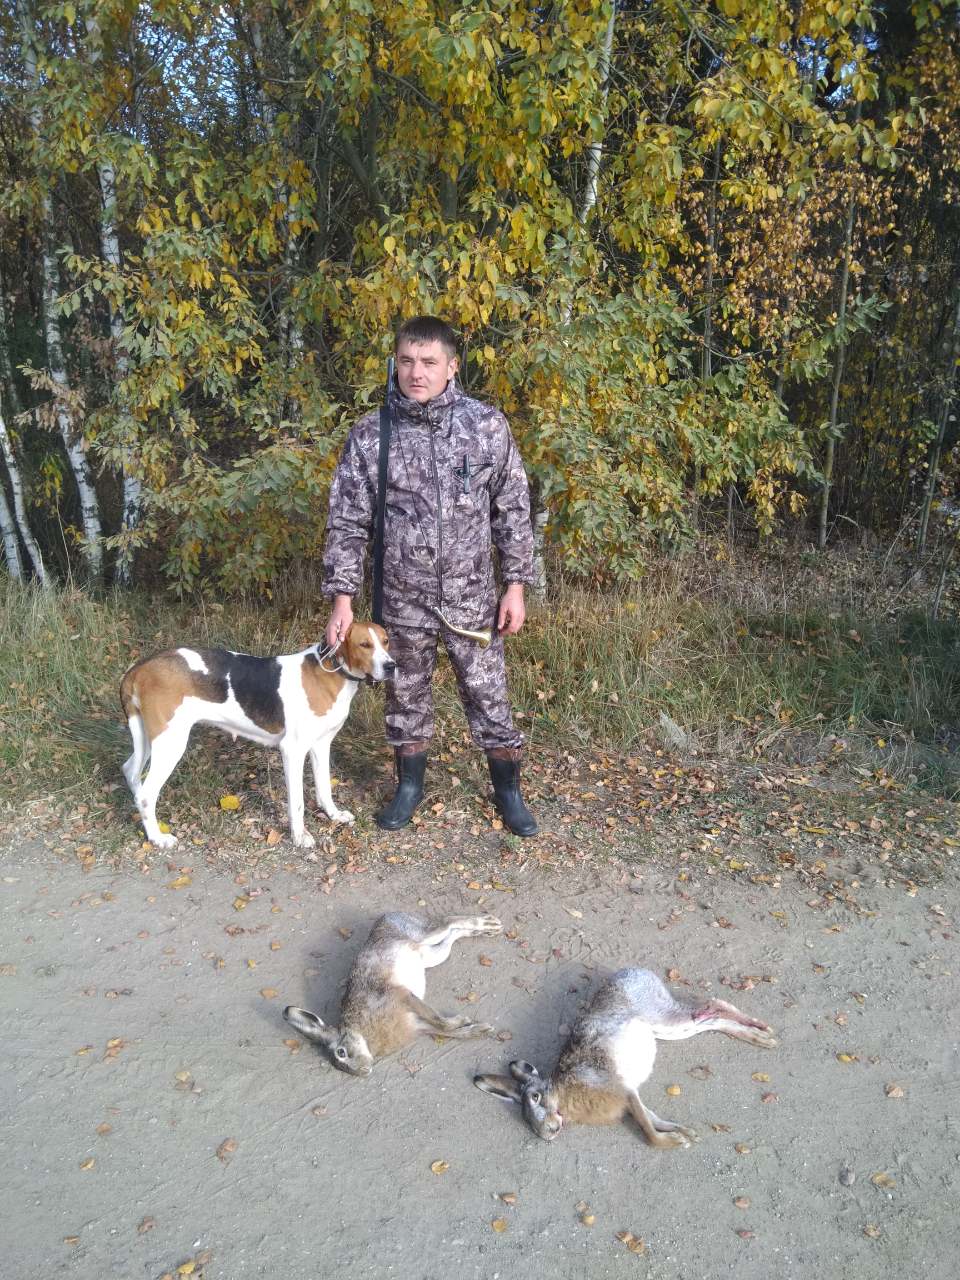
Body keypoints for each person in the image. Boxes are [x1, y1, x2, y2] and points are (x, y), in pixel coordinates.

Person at [321, 315, 538, 836]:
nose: (416, 372)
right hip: (402, 600)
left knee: (489, 698)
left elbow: (512, 509)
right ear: (395, 363)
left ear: (452, 366)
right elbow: (347, 522)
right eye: (407, 361)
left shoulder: (485, 426)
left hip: (472, 599)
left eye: (428, 362)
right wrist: (342, 600)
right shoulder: (372, 434)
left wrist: (515, 586)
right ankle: (408, 788)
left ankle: (508, 792)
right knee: (405, 698)